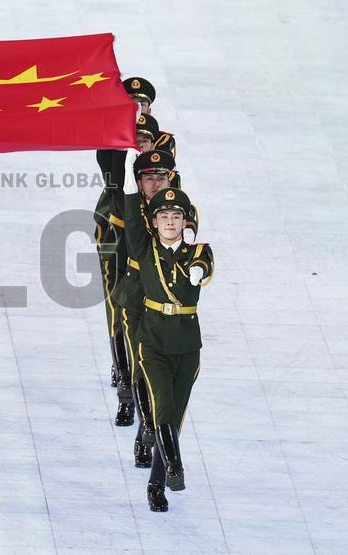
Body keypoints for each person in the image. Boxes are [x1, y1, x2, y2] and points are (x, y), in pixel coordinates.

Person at [121, 148, 214, 513]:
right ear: (154, 221)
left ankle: (156, 482)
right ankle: (175, 465)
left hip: (187, 345)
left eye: (176, 216)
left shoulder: (197, 252)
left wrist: (198, 272)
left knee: (174, 417)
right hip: (153, 341)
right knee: (162, 405)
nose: (170, 222)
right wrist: (125, 157)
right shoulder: (144, 250)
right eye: (163, 216)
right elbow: (131, 209)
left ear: (186, 221)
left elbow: (204, 265)